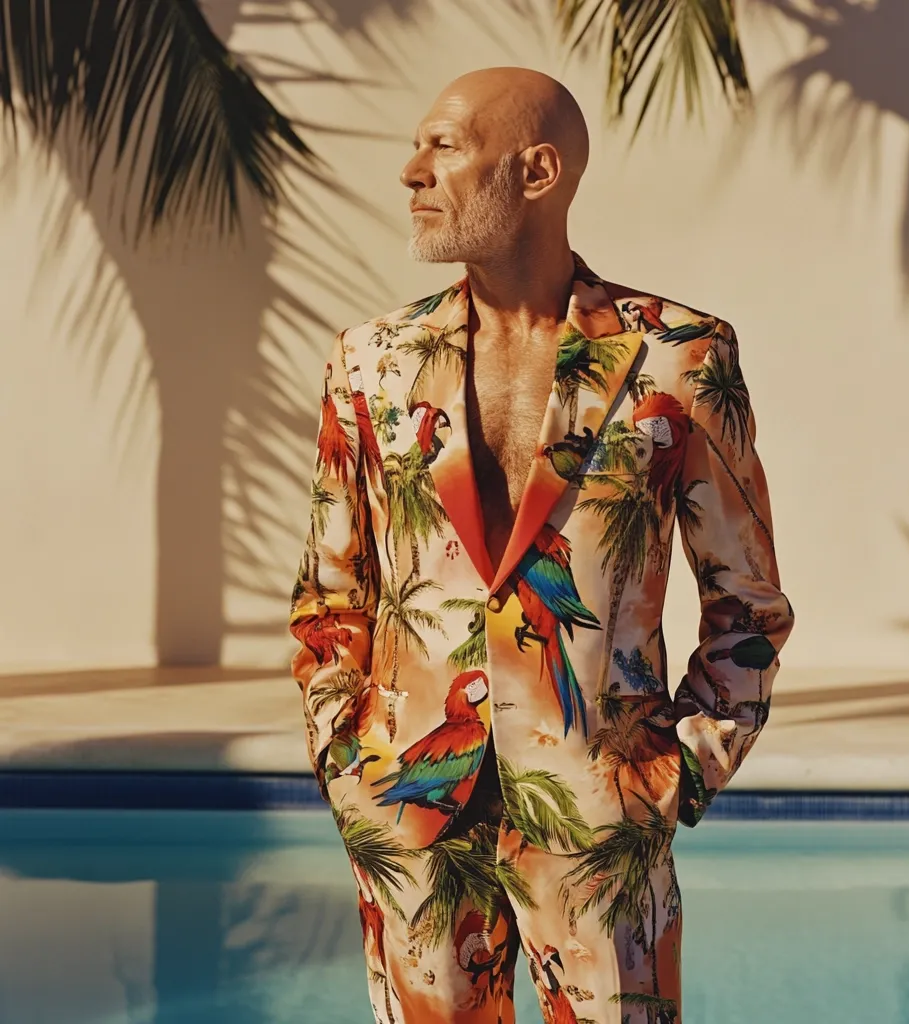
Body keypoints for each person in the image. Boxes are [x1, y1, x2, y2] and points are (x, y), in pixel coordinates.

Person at [289, 66, 794, 1024]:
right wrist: (346, 761)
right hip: (410, 809)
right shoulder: (368, 362)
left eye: (443, 146)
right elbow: (329, 596)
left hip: (600, 819)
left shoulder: (678, 357)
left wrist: (672, 774)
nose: (411, 171)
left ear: (537, 171)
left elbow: (748, 605)